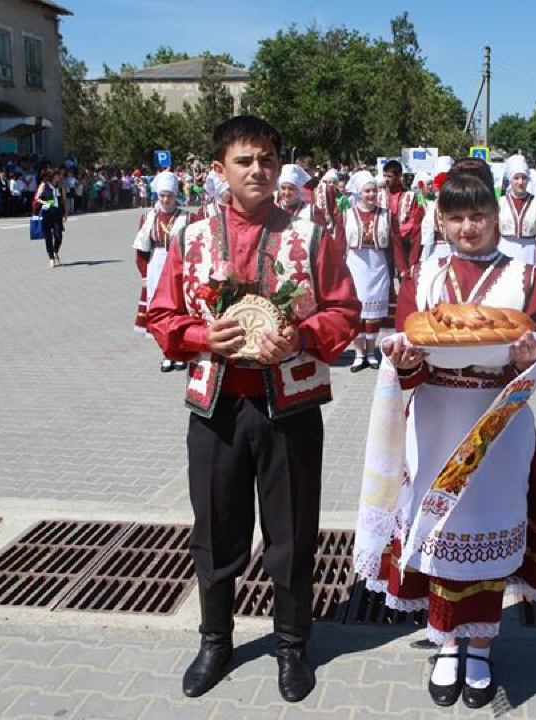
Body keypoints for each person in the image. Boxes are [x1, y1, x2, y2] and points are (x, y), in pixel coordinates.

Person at [147, 116, 359, 704]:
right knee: (215, 529)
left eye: (267, 158)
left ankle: (292, 644)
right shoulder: (189, 236)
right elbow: (160, 314)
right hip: (216, 408)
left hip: (288, 409)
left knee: (292, 533)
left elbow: (346, 312)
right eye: (245, 160)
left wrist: (303, 338)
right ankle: (216, 640)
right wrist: (198, 338)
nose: (258, 170)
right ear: (220, 171)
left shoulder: (313, 235)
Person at [355, 161, 536, 709]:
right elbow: (408, 358)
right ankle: (447, 644)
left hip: (498, 426)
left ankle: (483, 645)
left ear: (496, 217)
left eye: (479, 215)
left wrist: (527, 357)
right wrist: (400, 357)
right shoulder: (421, 278)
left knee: (488, 530)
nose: (469, 228)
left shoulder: (530, 277)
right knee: (439, 531)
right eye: (458, 218)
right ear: (440, 221)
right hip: (437, 419)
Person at [134, 170, 192, 372]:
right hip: (157, 264)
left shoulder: (186, 218)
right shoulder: (150, 217)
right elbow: (141, 248)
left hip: (178, 265)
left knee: (179, 308)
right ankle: (166, 353)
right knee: (160, 311)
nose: (166, 199)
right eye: (162, 195)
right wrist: (144, 274)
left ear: (176, 195)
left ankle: (181, 352)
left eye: (170, 195)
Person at [336, 170, 393, 372]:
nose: (371, 194)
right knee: (358, 311)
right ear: (359, 193)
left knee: (374, 312)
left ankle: (371, 351)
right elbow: (340, 242)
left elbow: (393, 244)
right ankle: (359, 354)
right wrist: (337, 268)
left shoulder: (385, 214)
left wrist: (402, 270)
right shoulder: (347, 214)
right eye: (367, 191)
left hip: (377, 265)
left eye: (374, 190)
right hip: (355, 264)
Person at [497, 154, 536, 272]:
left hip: (529, 254)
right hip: (504, 252)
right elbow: (492, 235)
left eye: (524, 178)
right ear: (510, 179)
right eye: (516, 178)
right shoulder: (500, 204)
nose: (520, 182)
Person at [381, 159, 426, 281]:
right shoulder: (379, 195)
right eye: (384, 175)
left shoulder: (411, 196)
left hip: (404, 242)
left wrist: (397, 233)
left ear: (399, 176)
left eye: (389, 176)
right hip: (384, 242)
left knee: (405, 276)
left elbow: (415, 221)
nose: (386, 179)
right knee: (386, 277)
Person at [34, 170, 65, 268]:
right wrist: (45, 202)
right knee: (48, 237)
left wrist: (66, 213)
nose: (60, 177)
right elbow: (36, 198)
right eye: (58, 175)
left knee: (58, 235)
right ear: (53, 176)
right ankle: (51, 257)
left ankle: (55, 252)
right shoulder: (44, 185)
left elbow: (64, 200)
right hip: (46, 213)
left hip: (57, 213)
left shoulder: (61, 187)